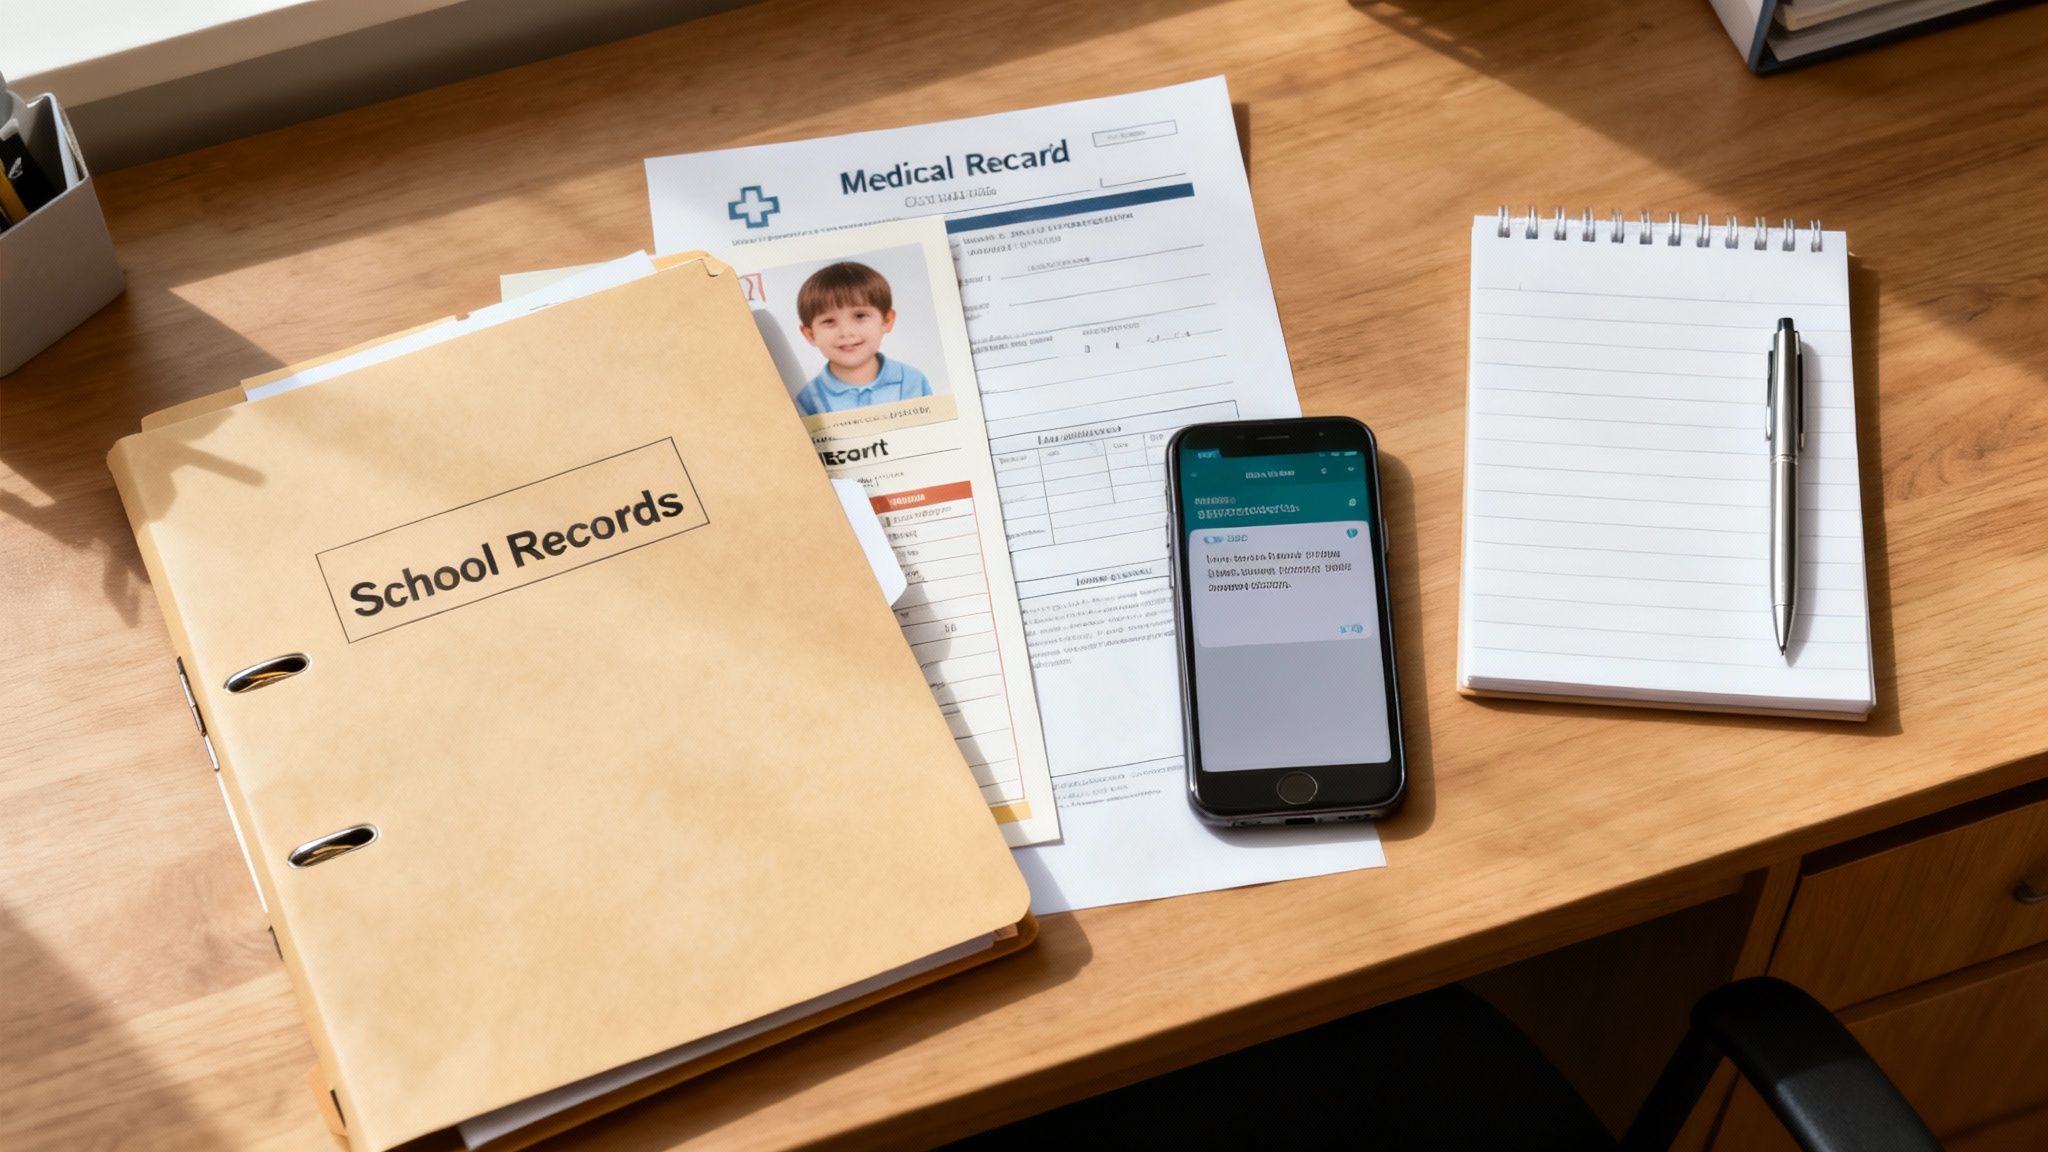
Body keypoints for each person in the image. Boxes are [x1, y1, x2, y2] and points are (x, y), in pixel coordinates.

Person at [791, 261, 934, 415]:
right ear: (810, 335)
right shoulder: (808, 401)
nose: (846, 332)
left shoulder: (912, 382)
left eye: (860, 316)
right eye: (829, 321)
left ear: (886, 321)